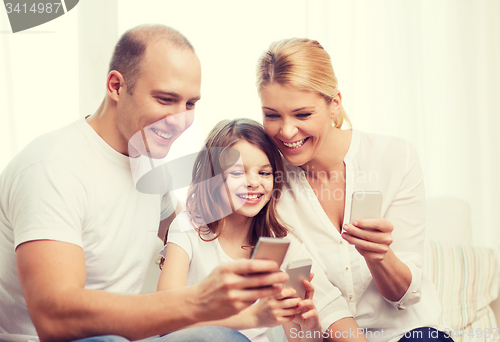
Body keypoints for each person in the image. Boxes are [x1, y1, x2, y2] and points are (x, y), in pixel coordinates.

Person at [0, 25, 289, 342]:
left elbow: (187, 223)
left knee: (223, 337)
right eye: (166, 99)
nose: (180, 121)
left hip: (126, 337)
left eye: (190, 104)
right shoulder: (51, 167)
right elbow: (55, 319)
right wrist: (199, 301)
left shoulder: (148, 164)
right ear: (116, 86)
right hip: (58, 339)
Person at [255, 38, 454, 342]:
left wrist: (378, 257)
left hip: (411, 334)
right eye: (272, 115)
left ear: (334, 103)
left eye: (302, 114)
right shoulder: (269, 185)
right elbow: (318, 300)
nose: (287, 131)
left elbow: (406, 295)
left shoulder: (394, 158)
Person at [157, 119, 323, 342]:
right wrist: (251, 317)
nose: (253, 182)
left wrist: (310, 328)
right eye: (237, 173)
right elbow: (165, 320)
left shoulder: (278, 244)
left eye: (264, 173)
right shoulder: (188, 227)